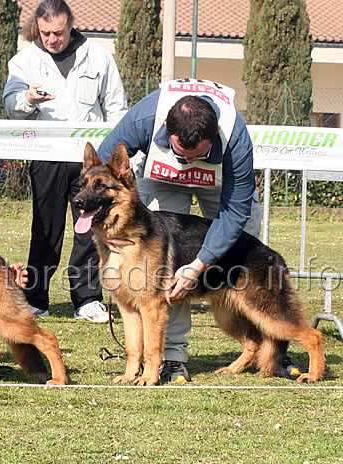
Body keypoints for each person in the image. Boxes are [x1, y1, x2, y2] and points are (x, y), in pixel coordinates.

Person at [96, 78, 300, 383]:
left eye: (197, 155)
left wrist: (200, 263)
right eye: (182, 152)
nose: (189, 162)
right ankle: (173, 358)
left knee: (244, 257)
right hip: (163, 178)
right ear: (167, 128)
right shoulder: (145, 117)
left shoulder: (235, 136)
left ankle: (272, 345)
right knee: (162, 272)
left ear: (215, 134)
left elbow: (235, 212)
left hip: (219, 185)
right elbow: (97, 176)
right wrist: (103, 227)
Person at [3, 0, 127, 322]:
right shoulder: (25, 60)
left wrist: (114, 159)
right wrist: (28, 98)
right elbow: (10, 105)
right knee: (45, 229)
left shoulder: (99, 56)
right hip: (47, 157)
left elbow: (116, 108)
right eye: (45, 33)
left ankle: (87, 299)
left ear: (70, 25)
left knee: (90, 229)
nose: (52, 39)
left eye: (58, 32)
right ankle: (35, 298)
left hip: (91, 162)